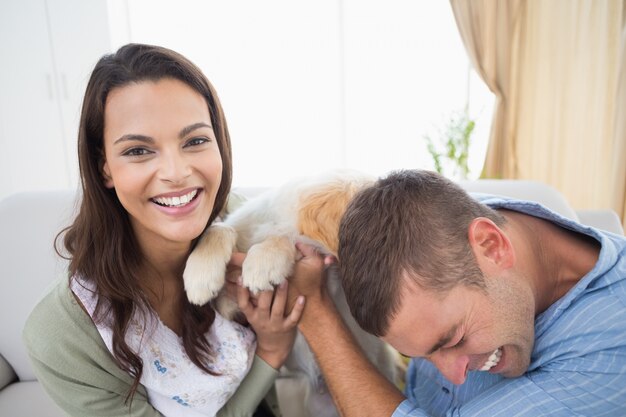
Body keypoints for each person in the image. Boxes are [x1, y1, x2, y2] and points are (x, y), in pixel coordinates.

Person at [23, 43, 304, 417]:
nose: (176, 172)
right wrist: (271, 351)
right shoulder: (60, 334)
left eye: (195, 141)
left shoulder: (236, 219)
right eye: (139, 150)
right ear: (104, 166)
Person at [288, 169, 626, 416]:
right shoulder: (444, 222)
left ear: (492, 247)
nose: (454, 375)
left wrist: (314, 311)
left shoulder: (611, 348)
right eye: (424, 357)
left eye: (452, 340)